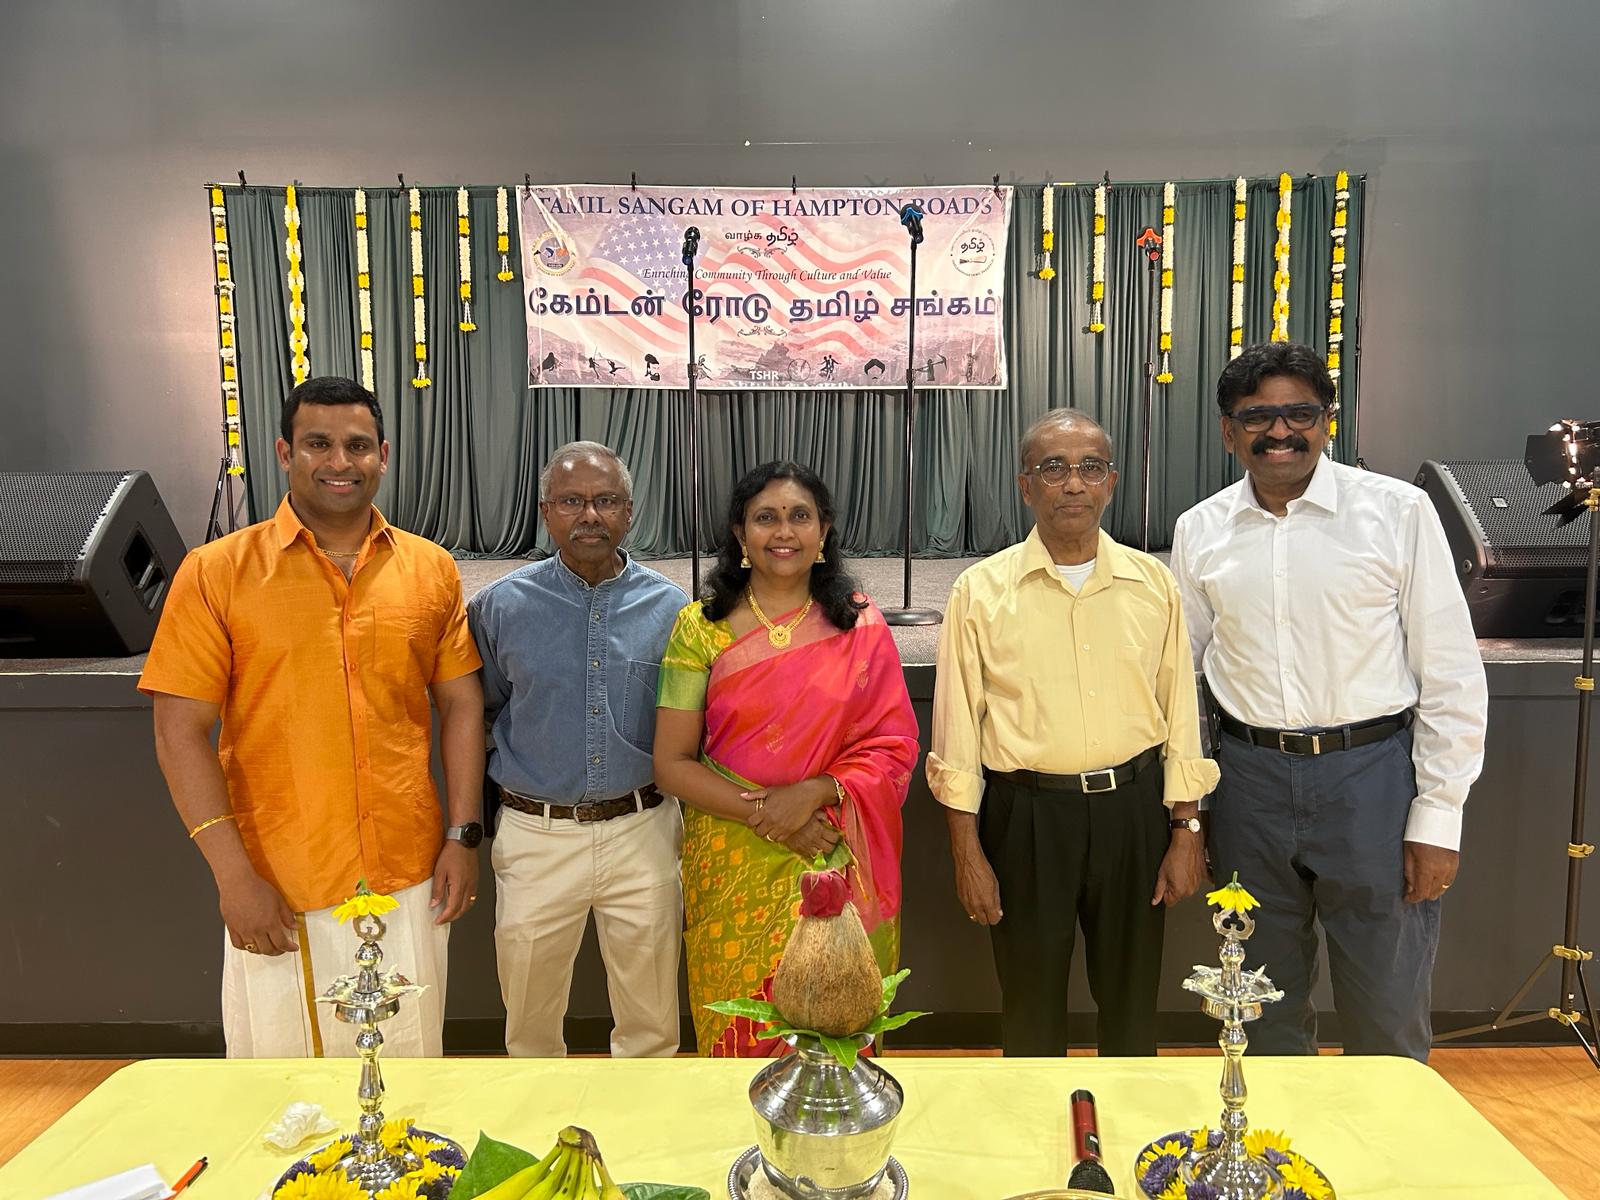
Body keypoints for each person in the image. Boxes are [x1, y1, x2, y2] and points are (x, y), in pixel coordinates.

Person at [140, 375, 484, 1058]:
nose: (339, 462)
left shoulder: (430, 570)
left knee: (408, 1075)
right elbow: (179, 731)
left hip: (407, 875)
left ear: (383, 455)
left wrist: (463, 835)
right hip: (279, 881)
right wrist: (234, 878)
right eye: (318, 444)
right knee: (288, 1094)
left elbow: (462, 703)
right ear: (284, 452)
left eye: (358, 445)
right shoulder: (217, 572)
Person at [1170, 341, 1487, 1061]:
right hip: (1248, 784)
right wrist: (1195, 810)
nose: (1280, 431)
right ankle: (1276, 1137)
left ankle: (1387, 1138)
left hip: (1371, 781)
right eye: (1258, 417)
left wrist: (1439, 816)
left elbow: (1449, 672)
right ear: (1228, 431)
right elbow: (1183, 681)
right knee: (1258, 1008)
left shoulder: (1396, 512)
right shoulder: (1201, 529)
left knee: (1386, 1012)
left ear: (1327, 421)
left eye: (1300, 413)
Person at [927, 410, 1219, 1057]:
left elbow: (1179, 715)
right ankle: (1036, 1124)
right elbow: (957, 738)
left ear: (1111, 482)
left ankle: (1129, 1119)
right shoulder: (980, 592)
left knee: (1133, 1008)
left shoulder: (1153, 584)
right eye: (1053, 468)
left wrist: (1186, 829)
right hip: (1026, 819)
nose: (1073, 483)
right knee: (1029, 1012)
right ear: (1025, 486)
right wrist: (967, 852)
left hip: (1132, 816)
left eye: (1090, 467)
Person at [653, 462, 919, 1057]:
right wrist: (774, 817)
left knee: (834, 1025)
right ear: (740, 533)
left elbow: (893, 745)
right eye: (765, 517)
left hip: (834, 844)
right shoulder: (699, 629)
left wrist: (814, 794)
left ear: (823, 531)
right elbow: (671, 763)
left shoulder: (861, 624)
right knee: (737, 1032)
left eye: (800, 516)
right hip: (731, 856)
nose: (783, 532)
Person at [468, 442, 687, 1058]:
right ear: (546, 512)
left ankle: (646, 1119)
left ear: (629, 512)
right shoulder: (499, 608)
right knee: (529, 1027)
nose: (589, 515)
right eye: (571, 501)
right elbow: (483, 711)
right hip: (537, 837)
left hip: (642, 831)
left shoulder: (672, 609)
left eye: (605, 500)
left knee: (652, 1026)